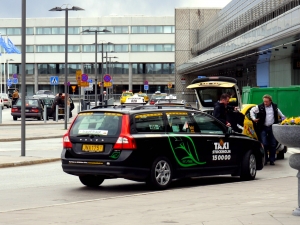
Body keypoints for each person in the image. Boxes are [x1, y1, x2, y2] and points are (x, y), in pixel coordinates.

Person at [250, 94, 285, 166]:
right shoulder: (259, 107)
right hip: (263, 127)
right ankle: (265, 159)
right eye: (264, 101)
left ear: (270, 101)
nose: (265, 103)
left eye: (266, 102)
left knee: (273, 144)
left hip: (272, 127)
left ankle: (272, 160)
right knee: (264, 143)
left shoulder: (275, 107)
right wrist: (253, 118)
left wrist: (284, 120)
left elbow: (281, 115)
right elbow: (251, 111)